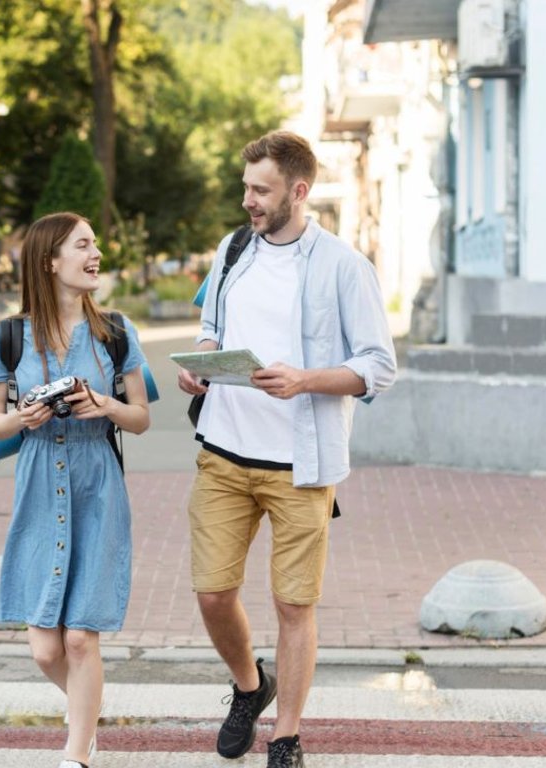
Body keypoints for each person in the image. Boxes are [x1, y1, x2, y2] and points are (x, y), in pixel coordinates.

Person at [177, 131, 396, 767]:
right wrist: (199, 366)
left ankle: (287, 736)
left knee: (293, 605)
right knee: (213, 594)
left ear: (298, 192)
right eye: (245, 188)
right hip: (222, 449)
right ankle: (251, 686)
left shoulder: (344, 266)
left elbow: (378, 367)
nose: (248, 200)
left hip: (301, 465)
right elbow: (212, 327)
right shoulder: (233, 248)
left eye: (260, 190)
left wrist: (304, 380)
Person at [0, 211, 151, 768]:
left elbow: (142, 418)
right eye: (83, 245)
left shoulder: (116, 333)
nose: (95, 253)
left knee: (81, 640)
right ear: (51, 261)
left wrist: (103, 405)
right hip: (37, 483)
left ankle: (76, 755)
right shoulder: (7, 338)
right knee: (45, 648)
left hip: (96, 482)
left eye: (95, 244)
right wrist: (23, 416)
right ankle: (88, 714)